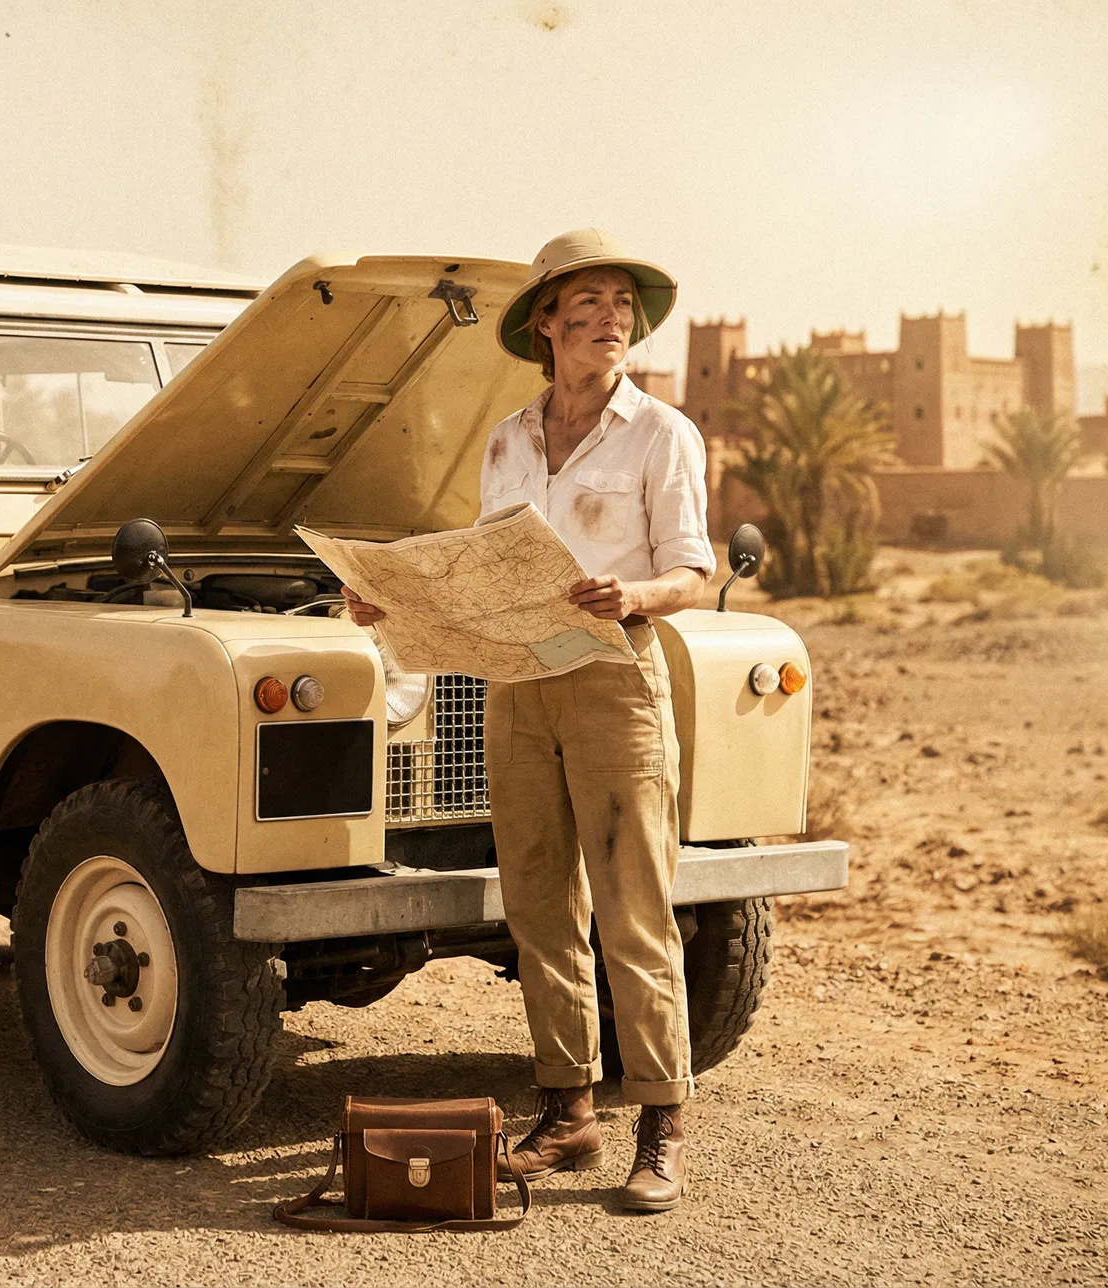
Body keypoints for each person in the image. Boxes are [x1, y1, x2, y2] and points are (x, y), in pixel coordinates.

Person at [343, 229, 713, 1212]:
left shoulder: (662, 433)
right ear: (545, 323)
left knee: (634, 907)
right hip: (517, 683)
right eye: (588, 303)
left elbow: (693, 571)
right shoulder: (508, 438)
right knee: (540, 905)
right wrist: (390, 601)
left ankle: (662, 1125)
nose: (610, 318)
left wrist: (635, 595)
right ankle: (568, 1110)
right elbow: (481, 573)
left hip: (614, 676)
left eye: (622, 304)